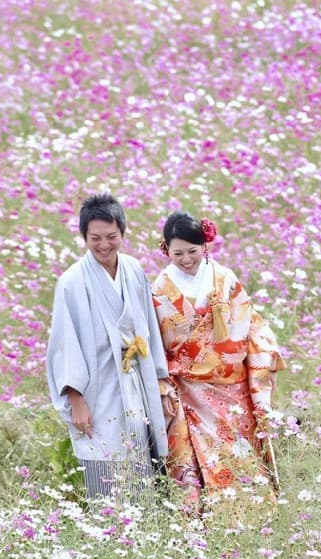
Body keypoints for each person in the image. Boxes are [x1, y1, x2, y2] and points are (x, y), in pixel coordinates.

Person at [152, 211, 285, 513]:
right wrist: (161, 382)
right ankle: (206, 520)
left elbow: (251, 324)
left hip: (231, 383)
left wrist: (264, 366)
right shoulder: (159, 288)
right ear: (166, 250)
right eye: (178, 253)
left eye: (193, 252)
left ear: (205, 246)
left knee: (238, 451)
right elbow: (156, 339)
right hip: (188, 387)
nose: (186, 259)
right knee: (198, 456)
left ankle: (252, 513)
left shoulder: (225, 279)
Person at [46, 193, 173, 499]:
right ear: (84, 237)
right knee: (103, 452)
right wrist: (76, 399)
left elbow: (149, 330)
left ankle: (143, 525)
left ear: (123, 234)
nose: (104, 245)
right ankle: (109, 528)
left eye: (111, 237)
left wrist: (160, 380)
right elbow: (65, 342)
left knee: (141, 451)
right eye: (96, 238)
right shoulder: (72, 281)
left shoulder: (133, 270)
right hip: (97, 384)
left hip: (135, 377)